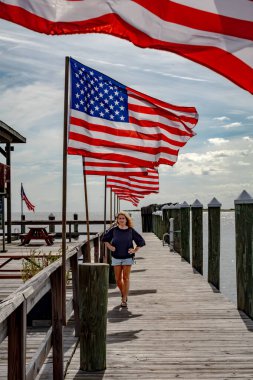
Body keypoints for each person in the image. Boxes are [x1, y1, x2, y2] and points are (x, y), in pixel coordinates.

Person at [102, 211, 145, 308]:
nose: (121, 220)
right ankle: (124, 293)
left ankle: (124, 299)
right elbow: (105, 239)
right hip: (116, 257)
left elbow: (141, 241)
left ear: (126, 220)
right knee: (118, 280)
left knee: (126, 278)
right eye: (119, 218)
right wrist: (110, 247)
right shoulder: (114, 230)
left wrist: (135, 250)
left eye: (123, 218)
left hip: (127, 258)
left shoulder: (130, 230)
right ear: (117, 220)